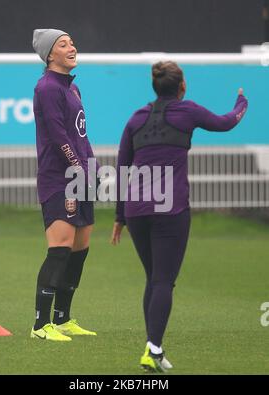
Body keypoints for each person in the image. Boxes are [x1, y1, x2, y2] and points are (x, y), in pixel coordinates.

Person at [111, 61, 248, 371]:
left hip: (136, 211)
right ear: (181, 86)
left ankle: (153, 348)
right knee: (163, 281)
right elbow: (227, 122)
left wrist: (120, 217)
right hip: (170, 209)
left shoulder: (136, 118)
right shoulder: (188, 111)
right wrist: (243, 102)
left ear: (154, 86)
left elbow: (121, 169)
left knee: (154, 279)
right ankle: (153, 348)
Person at [31, 29, 98, 341]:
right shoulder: (46, 87)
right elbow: (59, 137)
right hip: (59, 178)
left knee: (80, 249)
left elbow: (80, 135)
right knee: (59, 248)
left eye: (72, 41)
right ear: (49, 55)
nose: (72, 47)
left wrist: (91, 167)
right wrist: (77, 167)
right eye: (63, 44)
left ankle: (62, 319)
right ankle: (40, 325)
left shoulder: (74, 88)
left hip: (80, 175)